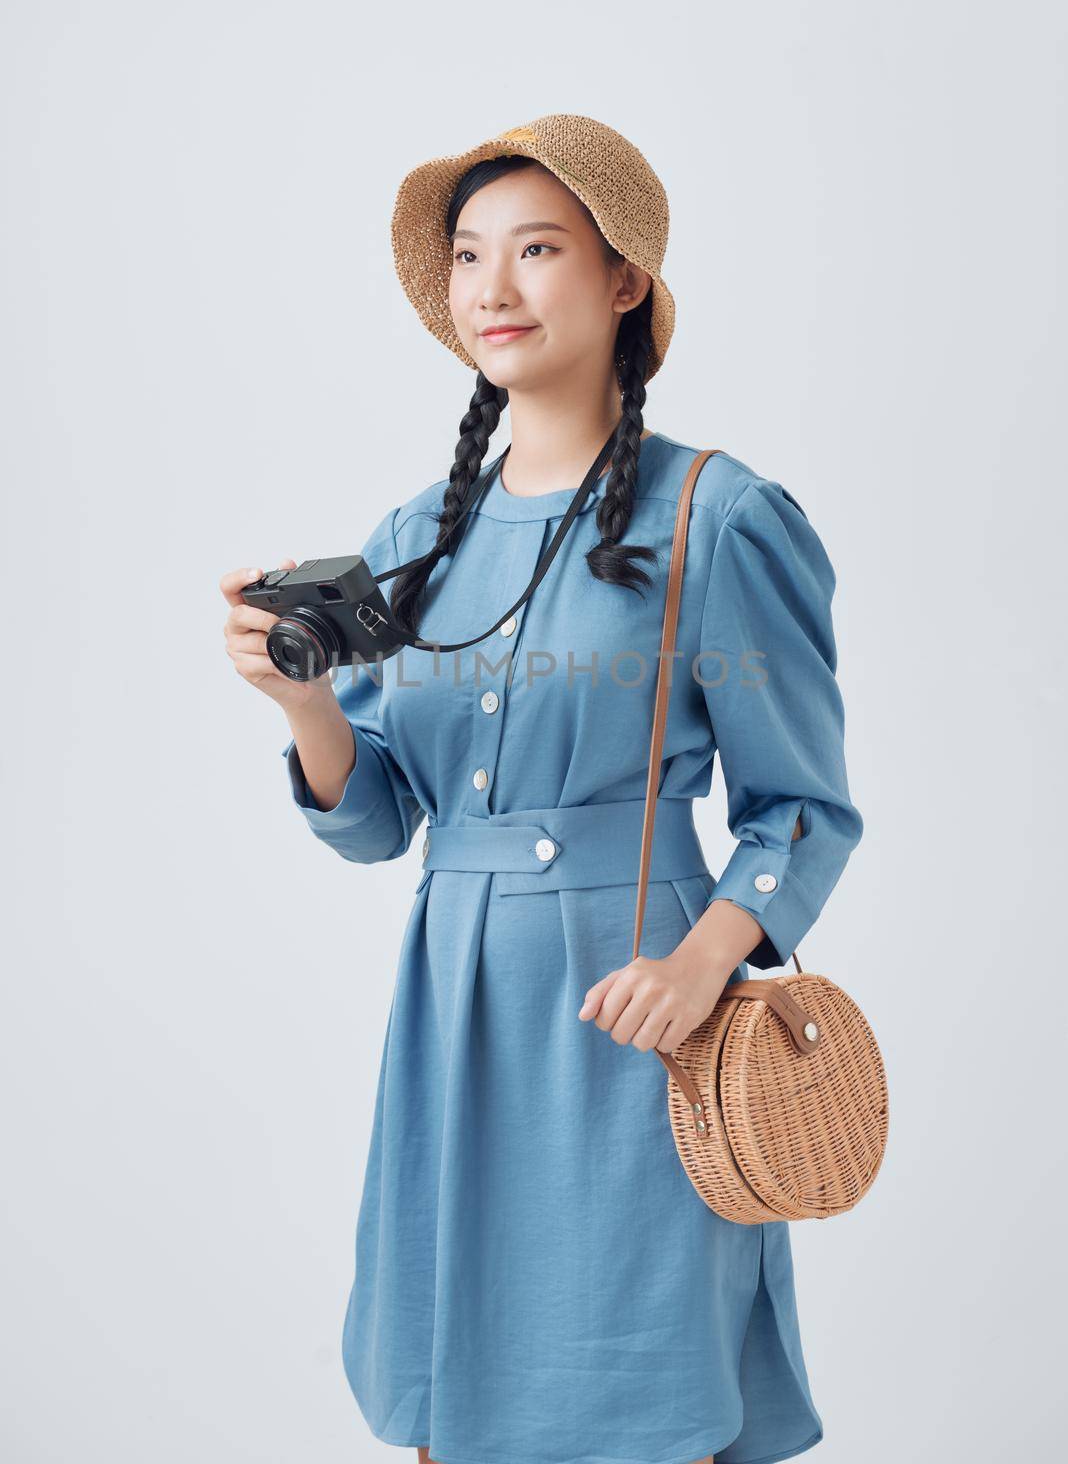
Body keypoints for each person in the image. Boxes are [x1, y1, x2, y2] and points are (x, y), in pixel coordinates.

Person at [220, 114, 864, 1464]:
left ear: (621, 280)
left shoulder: (718, 516)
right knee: (454, 1379)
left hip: (642, 1009)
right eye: (468, 259)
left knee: (642, 1385)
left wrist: (700, 968)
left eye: (535, 250)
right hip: (457, 1010)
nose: (493, 290)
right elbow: (383, 819)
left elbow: (800, 809)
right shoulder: (413, 539)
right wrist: (306, 704)